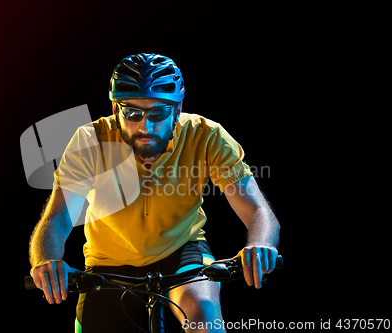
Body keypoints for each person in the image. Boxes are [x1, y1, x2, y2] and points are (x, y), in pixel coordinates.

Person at [29, 53, 280, 333]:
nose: (145, 127)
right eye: (133, 113)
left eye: (158, 113)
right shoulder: (89, 141)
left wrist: (261, 245)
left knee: (203, 314)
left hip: (182, 252)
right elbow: (57, 218)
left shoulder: (207, 135)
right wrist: (47, 259)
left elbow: (257, 209)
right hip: (107, 263)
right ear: (115, 110)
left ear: (177, 109)